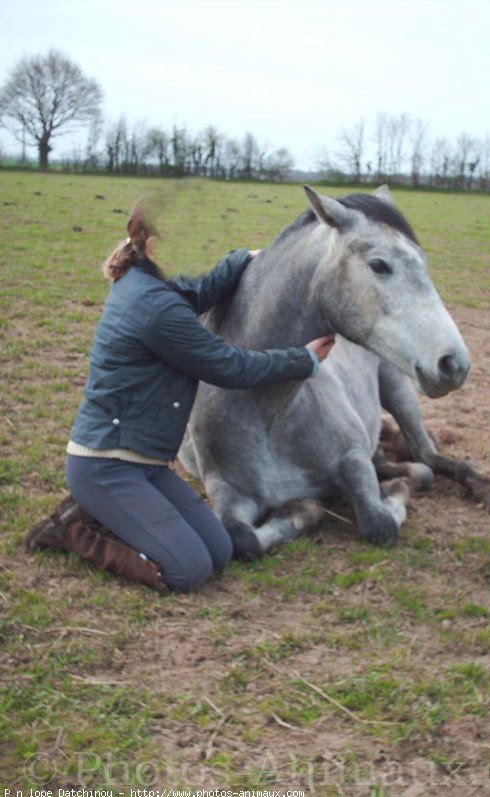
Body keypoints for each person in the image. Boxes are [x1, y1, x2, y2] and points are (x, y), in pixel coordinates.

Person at [26, 201, 335, 593]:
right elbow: (229, 366)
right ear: (153, 247)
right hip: (108, 465)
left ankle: (112, 517)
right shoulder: (153, 306)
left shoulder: (148, 282)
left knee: (220, 550)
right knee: (185, 570)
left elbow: (198, 290)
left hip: (148, 464)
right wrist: (302, 360)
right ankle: (73, 530)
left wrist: (247, 259)